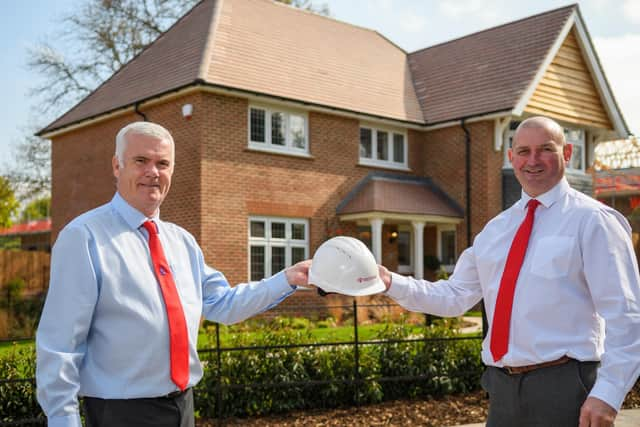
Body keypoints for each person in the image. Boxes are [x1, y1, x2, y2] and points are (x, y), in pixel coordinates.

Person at [36, 121, 311, 427]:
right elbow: (60, 344)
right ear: (117, 166)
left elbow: (223, 304)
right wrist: (63, 421)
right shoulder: (84, 237)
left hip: (183, 407)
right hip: (120, 413)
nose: (153, 172)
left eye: (163, 163)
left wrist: (287, 278)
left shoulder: (182, 242)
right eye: (141, 161)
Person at [378, 116, 640, 427]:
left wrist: (609, 392)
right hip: (501, 392)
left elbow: (626, 313)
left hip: (567, 388)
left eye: (545, 149)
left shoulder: (594, 221)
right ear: (510, 157)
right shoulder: (496, 230)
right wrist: (387, 281)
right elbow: (454, 296)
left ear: (567, 153)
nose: (533, 160)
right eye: (524, 151)